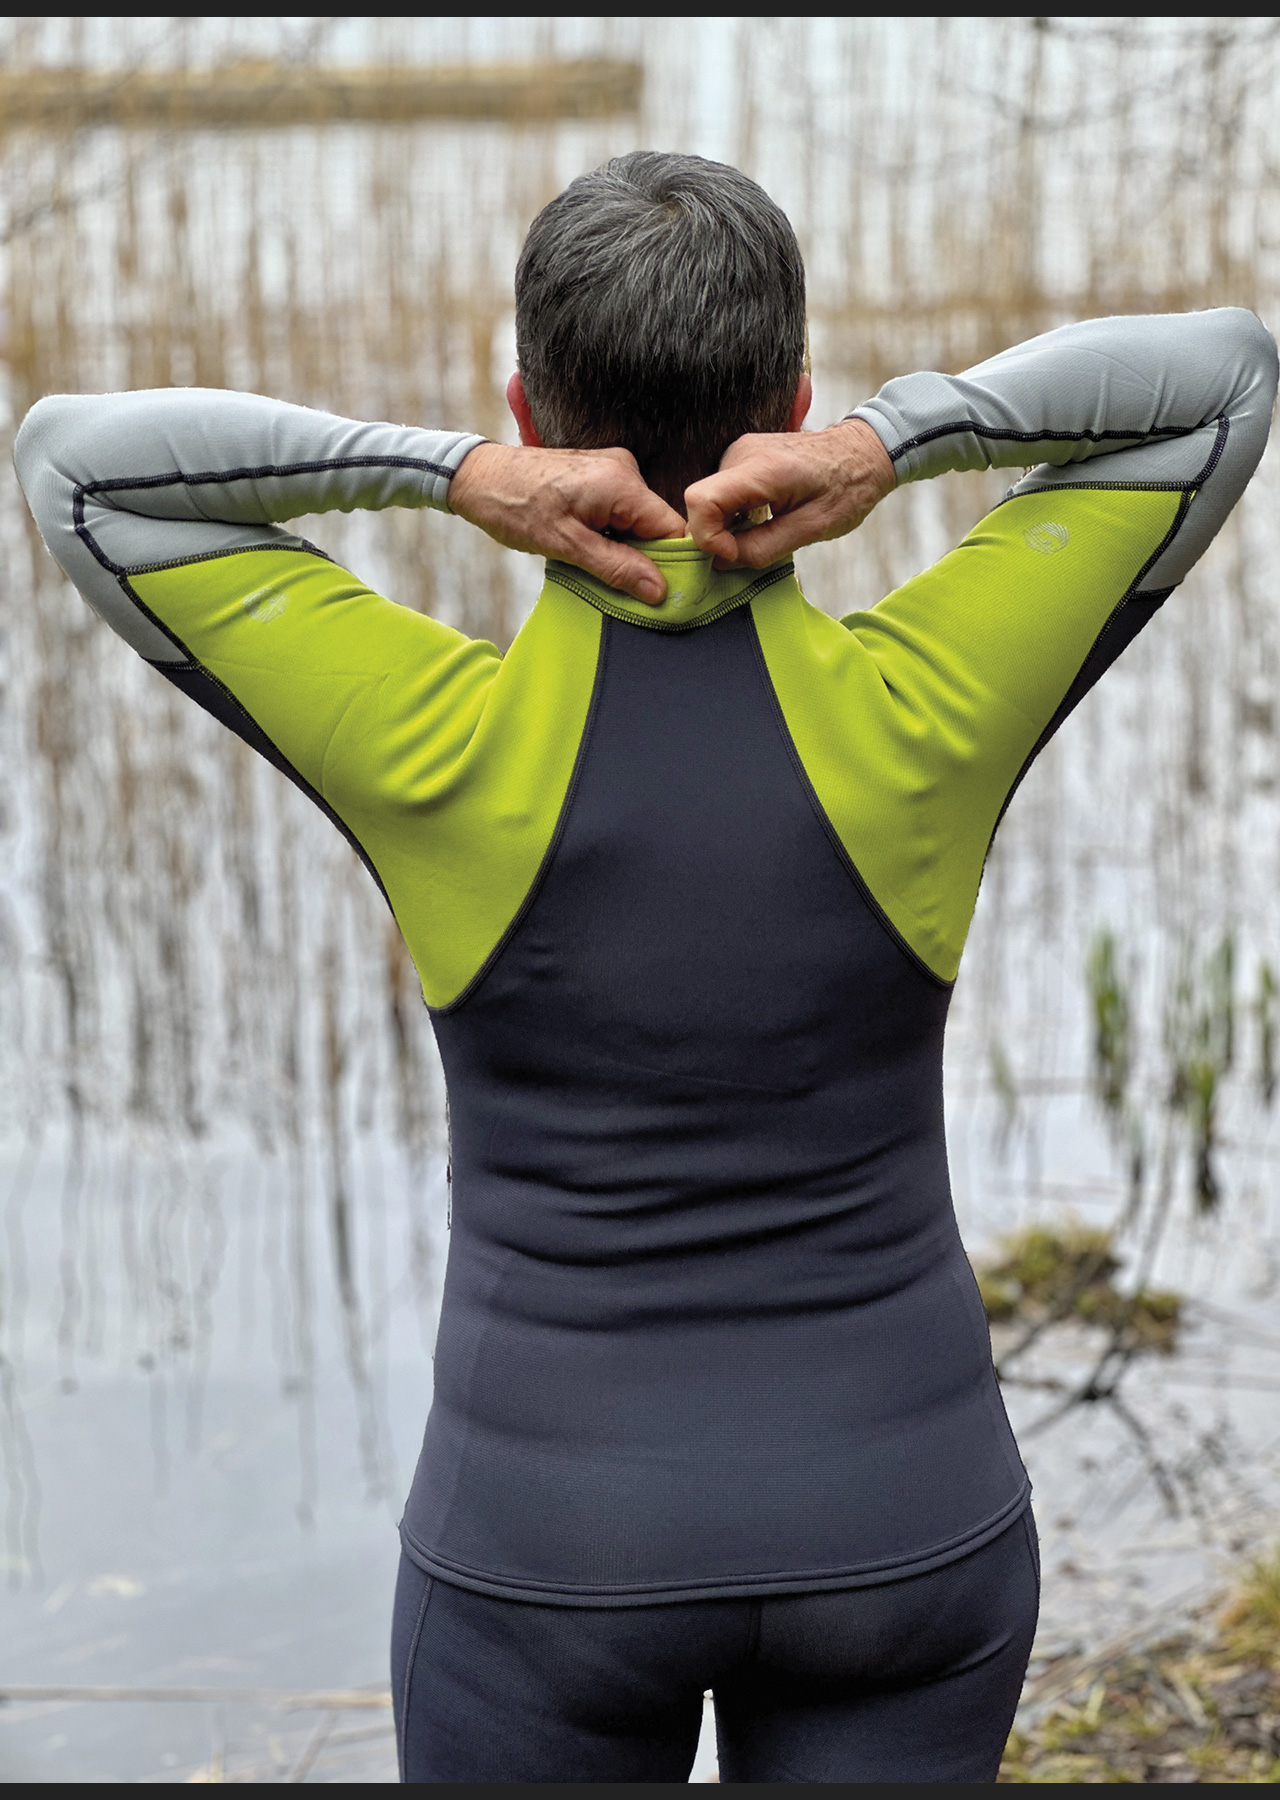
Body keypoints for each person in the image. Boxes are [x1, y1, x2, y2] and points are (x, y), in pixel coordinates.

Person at [14, 150, 1276, 1784]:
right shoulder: (928, 709)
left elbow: (77, 467)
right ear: (791, 401)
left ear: (530, 413)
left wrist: (447, 473)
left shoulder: (437, 747)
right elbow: (1225, 375)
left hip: (547, 1552)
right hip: (904, 1528)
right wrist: (888, 443)